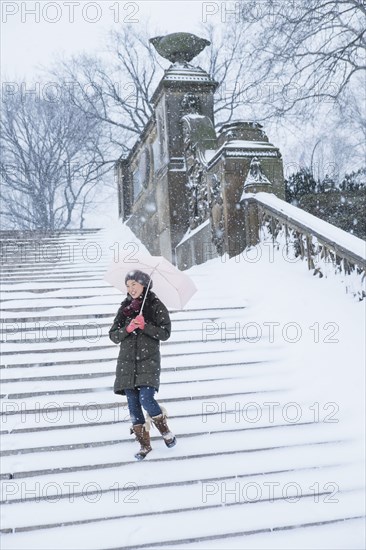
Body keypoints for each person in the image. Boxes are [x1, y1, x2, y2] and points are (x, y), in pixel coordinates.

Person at [109, 270, 176, 460]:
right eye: (128, 286)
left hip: (148, 362)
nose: (130, 289)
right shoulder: (125, 308)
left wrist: (144, 325)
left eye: (134, 285)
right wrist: (128, 328)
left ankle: (165, 430)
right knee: (133, 404)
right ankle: (144, 445)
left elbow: (165, 332)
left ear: (144, 285)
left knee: (146, 399)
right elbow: (113, 335)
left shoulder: (155, 305)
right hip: (127, 365)